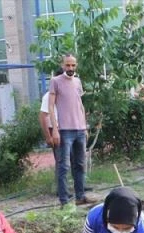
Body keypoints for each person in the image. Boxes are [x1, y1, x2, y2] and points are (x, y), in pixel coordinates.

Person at [48, 54, 95, 206]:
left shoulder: (77, 81)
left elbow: (80, 104)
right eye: (67, 65)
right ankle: (64, 200)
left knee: (80, 164)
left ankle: (80, 196)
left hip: (80, 129)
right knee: (64, 166)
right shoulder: (55, 81)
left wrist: (85, 125)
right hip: (64, 131)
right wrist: (55, 129)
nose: (70, 68)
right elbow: (50, 106)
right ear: (63, 66)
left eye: (73, 65)